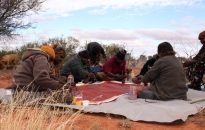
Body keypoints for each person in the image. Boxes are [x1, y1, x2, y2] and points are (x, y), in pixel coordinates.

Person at [7, 46, 75, 103]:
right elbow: (40, 79)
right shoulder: (42, 58)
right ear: (49, 56)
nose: (50, 62)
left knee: (51, 90)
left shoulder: (30, 57)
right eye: (51, 60)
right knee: (58, 95)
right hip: (27, 93)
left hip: (18, 91)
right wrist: (62, 87)